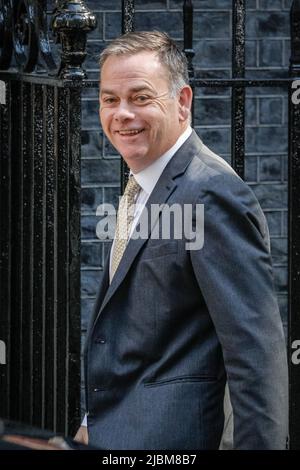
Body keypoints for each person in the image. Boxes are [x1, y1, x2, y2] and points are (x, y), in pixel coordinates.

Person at [75, 31, 288, 450]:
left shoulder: (210, 194)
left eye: (140, 97)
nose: (121, 114)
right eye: (109, 99)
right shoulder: (145, 183)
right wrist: (93, 421)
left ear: (182, 102)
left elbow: (255, 356)